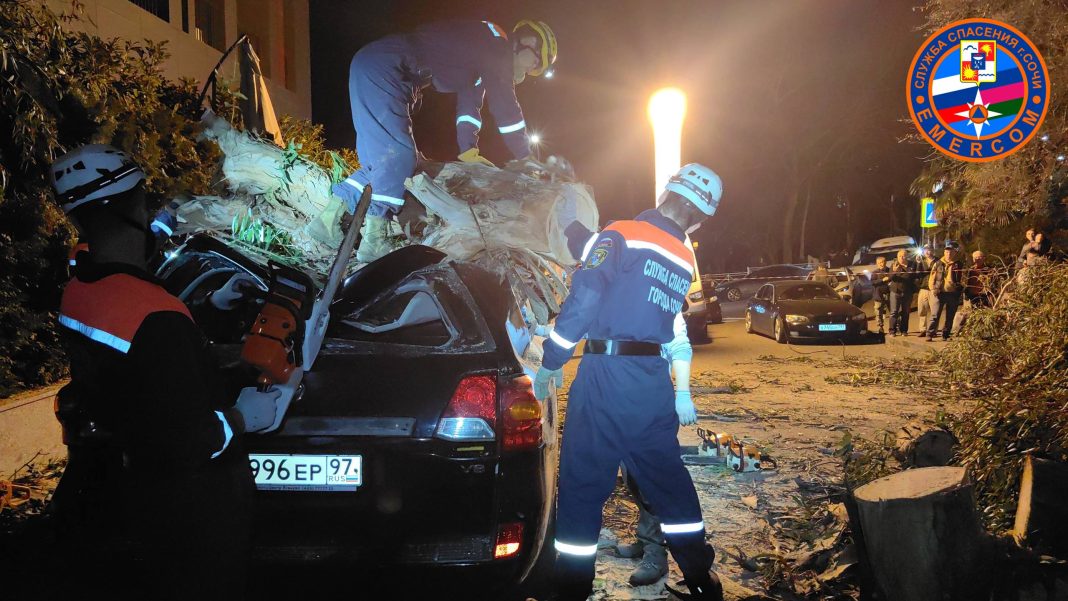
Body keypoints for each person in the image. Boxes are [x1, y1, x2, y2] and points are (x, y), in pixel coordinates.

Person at [48, 144, 279, 599]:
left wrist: (209, 306)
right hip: (189, 513)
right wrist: (243, 418)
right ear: (131, 205)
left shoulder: (82, 287)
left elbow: (142, 360)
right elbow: (186, 441)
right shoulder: (157, 318)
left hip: (132, 491)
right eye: (144, 196)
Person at [533, 163, 725, 601]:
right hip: (651, 382)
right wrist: (576, 231)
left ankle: (571, 588)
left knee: (582, 486)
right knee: (667, 481)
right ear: (699, 218)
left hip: (606, 378)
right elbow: (623, 274)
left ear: (665, 193)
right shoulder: (681, 258)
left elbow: (587, 293)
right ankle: (701, 576)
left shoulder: (621, 232)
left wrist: (552, 360)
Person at [333, 19, 557, 262]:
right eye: (535, 62)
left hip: (382, 67)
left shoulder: (483, 54)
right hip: (388, 68)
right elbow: (506, 108)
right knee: (400, 156)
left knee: (384, 161)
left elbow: (469, 109)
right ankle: (375, 238)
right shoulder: (497, 47)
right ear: (528, 42)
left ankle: (327, 221)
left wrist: (469, 150)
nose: (529, 71)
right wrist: (527, 158)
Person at [925, 240, 965, 341]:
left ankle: (946, 334)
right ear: (944, 252)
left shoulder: (959, 264)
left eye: (951, 252)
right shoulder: (938, 263)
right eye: (947, 252)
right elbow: (931, 277)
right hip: (939, 292)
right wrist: (933, 288)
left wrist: (961, 287)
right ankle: (930, 334)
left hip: (953, 293)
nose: (948, 254)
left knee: (950, 316)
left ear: (955, 253)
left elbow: (964, 278)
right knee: (935, 315)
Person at [888, 249, 916, 336]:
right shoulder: (894, 265)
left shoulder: (912, 264)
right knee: (894, 312)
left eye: (903, 256)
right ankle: (892, 331)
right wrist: (894, 272)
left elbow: (915, 276)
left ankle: (904, 330)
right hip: (896, 292)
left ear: (906, 256)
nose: (902, 258)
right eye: (900, 256)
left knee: (906, 312)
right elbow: (890, 278)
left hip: (907, 292)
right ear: (897, 257)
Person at [916, 245, 935, 337]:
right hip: (923, 288)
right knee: (922, 310)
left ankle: (932, 330)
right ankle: (923, 329)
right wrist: (918, 263)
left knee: (934, 311)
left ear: (932, 250)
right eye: (926, 250)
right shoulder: (921, 261)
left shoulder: (937, 261)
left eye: (929, 250)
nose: (927, 252)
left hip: (933, 289)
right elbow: (917, 274)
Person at [870, 255, 891, 334]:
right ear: (877, 264)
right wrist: (882, 280)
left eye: (883, 262)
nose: (881, 264)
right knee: (878, 312)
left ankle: (896, 326)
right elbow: (872, 282)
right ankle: (880, 327)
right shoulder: (875, 273)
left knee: (893, 311)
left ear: (885, 262)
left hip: (889, 294)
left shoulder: (889, 271)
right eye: (879, 263)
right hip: (878, 296)